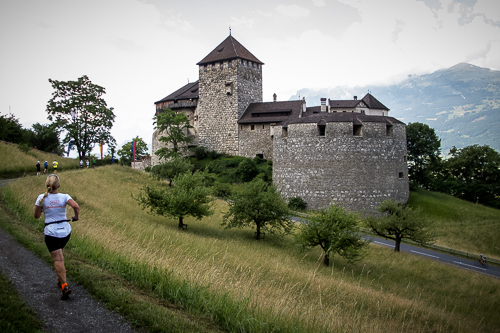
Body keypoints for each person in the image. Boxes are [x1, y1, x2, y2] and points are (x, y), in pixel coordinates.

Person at [34, 174, 79, 300]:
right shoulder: (64, 196)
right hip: (65, 232)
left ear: (47, 185)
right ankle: (60, 279)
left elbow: (36, 216)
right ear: (58, 185)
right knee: (59, 255)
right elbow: (75, 206)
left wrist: (43, 209)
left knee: (58, 259)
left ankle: (64, 285)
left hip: (51, 232)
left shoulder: (41, 198)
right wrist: (76, 217)